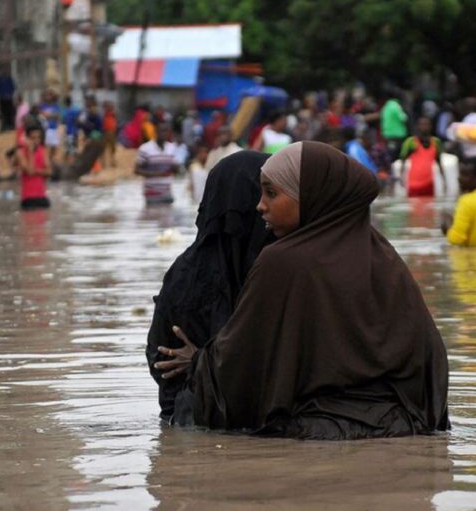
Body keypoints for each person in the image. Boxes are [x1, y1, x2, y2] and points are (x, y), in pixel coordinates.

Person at [155, 141, 450, 439]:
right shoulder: (383, 255)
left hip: (317, 433)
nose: (259, 206)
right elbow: (429, 355)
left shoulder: (282, 261)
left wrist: (197, 363)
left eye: (271, 192)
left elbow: (241, 362)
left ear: (311, 196)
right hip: (405, 427)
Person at [147, 151, 272, 419]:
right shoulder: (188, 276)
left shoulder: (274, 263)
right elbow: (163, 359)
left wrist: (200, 361)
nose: (264, 206)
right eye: (263, 193)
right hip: (199, 417)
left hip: (196, 420)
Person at [135, 119, 181, 205]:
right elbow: (137, 170)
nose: (163, 133)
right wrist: (156, 174)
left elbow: (177, 171)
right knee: (153, 217)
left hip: (167, 193)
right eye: (161, 131)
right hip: (151, 194)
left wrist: (176, 168)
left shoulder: (172, 148)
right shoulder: (145, 148)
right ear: (156, 131)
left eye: (165, 131)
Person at [400, 116, 446, 197]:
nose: (424, 127)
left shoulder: (436, 142)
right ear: (417, 126)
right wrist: (401, 178)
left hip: (429, 183)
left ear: (431, 126)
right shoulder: (410, 142)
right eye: (421, 124)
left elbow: (439, 162)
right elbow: (403, 161)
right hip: (414, 184)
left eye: (426, 124)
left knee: (429, 207)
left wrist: (444, 181)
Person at [16, 125, 52, 209]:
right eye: (33, 138)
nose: (36, 140)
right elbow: (30, 171)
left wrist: (36, 171)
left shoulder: (43, 151)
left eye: (38, 138)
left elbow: (49, 172)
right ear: (27, 139)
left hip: (42, 196)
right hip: (28, 198)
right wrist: (30, 152)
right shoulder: (20, 153)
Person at [379, 92, 408, 163]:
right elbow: (403, 118)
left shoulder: (386, 106)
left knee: (390, 154)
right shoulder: (396, 105)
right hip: (397, 135)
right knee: (398, 155)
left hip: (387, 135)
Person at [39, 91, 62, 164]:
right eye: (47, 95)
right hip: (46, 129)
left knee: (54, 147)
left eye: (49, 95)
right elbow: (41, 115)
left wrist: (48, 115)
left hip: (54, 129)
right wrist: (51, 115)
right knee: (47, 147)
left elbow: (57, 116)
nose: (48, 97)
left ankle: (51, 162)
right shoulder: (43, 106)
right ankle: (47, 162)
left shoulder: (56, 106)